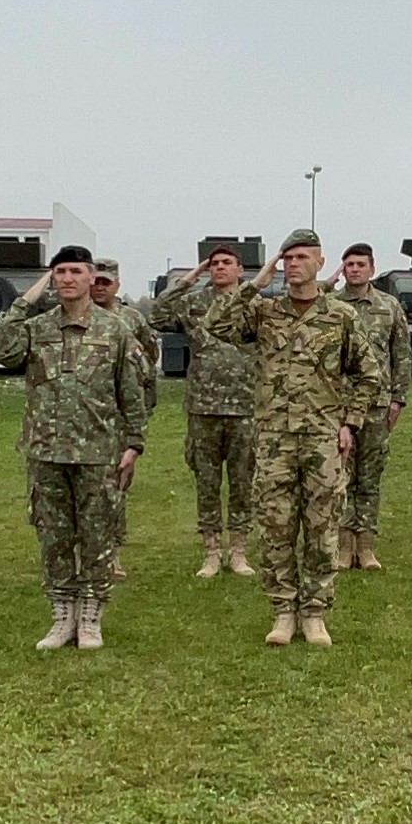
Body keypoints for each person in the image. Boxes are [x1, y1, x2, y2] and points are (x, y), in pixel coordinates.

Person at [202, 229, 380, 647]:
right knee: (276, 527)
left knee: (322, 528)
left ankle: (315, 612)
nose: (293, 264)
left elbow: (368, 375)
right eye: (287, 258)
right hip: (274, 440)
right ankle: (283, 610)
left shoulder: (341, 316)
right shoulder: (265, 312)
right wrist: (255, 284)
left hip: (322, 438)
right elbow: (216, 324)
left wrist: (350, 423)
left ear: (320, 263)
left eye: (302, 257)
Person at [0, 245, 146, 650]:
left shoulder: (115, 329)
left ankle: (90, 615)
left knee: (97, 536)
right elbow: (0, 350)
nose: (68, 279)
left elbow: (131, 390)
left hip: (98, 452)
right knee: (54, 537)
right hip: (46, 450)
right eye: (60, 272)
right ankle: (62, 615)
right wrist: (24, 301)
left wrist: (134, 443)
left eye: (76, 271)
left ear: (91, 277)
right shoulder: (37, 328)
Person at [149, 243, 258, 579]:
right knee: (207, 483)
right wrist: (187, 280)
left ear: (240, 270)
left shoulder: (254, 304)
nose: (219, 268)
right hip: (203, 407)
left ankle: (238, 550)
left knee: (243, 483)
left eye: (226, 263)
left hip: (245, 407)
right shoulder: (194, 302)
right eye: (214, 264)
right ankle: (211, 551)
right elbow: (157, 316)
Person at [327, 243, 411, 570]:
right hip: (339, 405)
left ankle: (366, 546)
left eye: (360, 264)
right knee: (341, 476)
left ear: (372, 269)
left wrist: (398, 399)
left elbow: (401, 354)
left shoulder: (388, 307)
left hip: (377, 405)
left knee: (370, 477)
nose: (354, 270)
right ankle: (343, 545)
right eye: (349, 264)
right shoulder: (331, 305)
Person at [90, 257, 162, 578]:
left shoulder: (131, 320)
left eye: (106, 282)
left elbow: (147, 362)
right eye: (95, 281)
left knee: (115, 487)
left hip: (119, 418)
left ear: (117, 285)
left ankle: (112, 553)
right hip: (85, 415)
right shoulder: (76, 316)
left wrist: (142, 412)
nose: (99, 288)